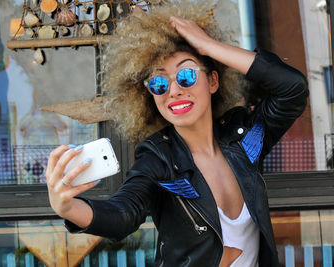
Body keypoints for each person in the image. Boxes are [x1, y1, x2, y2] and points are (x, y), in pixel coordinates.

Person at [46, 1, 308, 266]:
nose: (173, 90)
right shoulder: (159, 158)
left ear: (213, 81)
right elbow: (123, 214)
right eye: (159, 83)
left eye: (186, 75)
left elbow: (292, 88)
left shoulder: (244, 139)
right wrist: (67, 207)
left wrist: (209, 46)